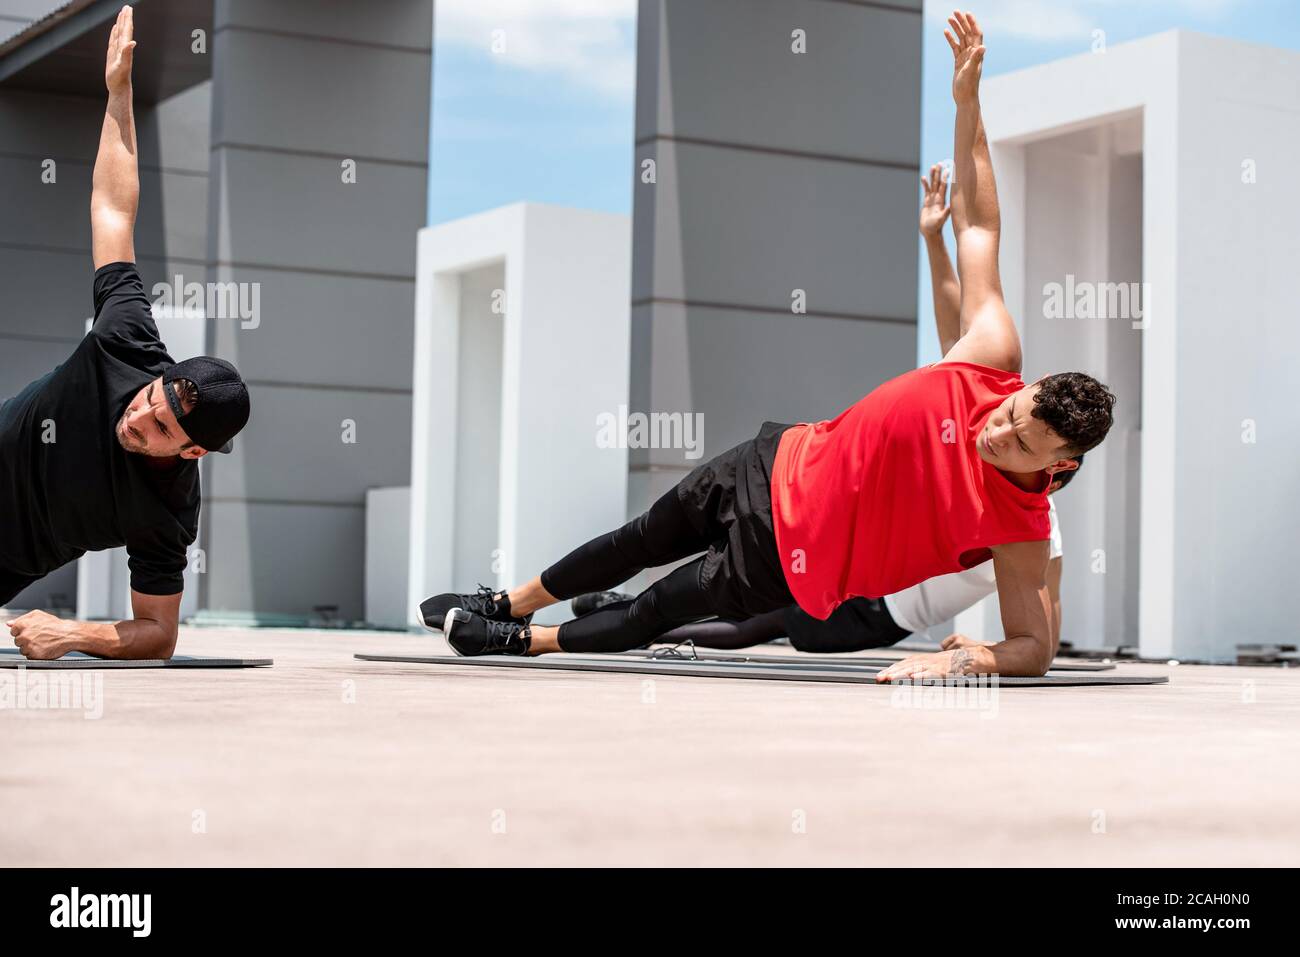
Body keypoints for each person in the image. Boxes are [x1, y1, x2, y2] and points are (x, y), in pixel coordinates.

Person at [421, 11, 1115, 680]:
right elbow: (982, 229)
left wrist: (965, 658)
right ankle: (505, 601)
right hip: (774, 459)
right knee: (639, 539)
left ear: (1062, 462)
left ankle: (522, 641)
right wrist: (968, 102)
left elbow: (1035, 644)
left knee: (659, 606)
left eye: (1023, 444)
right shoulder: (991, 355)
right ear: (1029, 386)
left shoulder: (1022, 527)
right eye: (1010, 417)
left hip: (793, 558)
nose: (997, 434)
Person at [1, 6, 251, 661]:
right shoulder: (130, 341)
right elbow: (114, 207)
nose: (140, 415)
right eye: (151, 400)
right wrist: (117, 94)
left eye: (162, 426)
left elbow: (160, 634)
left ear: (193, 453)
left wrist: (74, 632)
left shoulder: (166, 512)